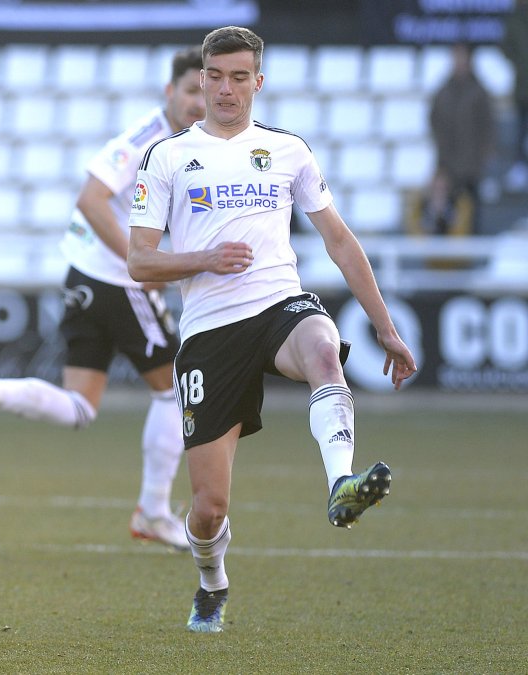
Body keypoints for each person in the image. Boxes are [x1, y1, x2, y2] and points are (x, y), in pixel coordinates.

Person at [125, 26, 417, 633]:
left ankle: (341, 483)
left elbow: (339, 240)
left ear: (258, 82)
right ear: (201, 80)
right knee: (208, 509)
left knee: (322, 352)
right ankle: (212, 582)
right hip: (208, 331)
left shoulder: (288, 150)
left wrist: (385, 328)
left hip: (277, 301)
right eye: (216, 77)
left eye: (239, 77)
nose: (227, 89)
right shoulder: (169, 157)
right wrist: (204, 258)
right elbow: (139, 261)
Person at [0, 47, 206, 552]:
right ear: (170, 92)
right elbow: (90, 199)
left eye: (207, 92)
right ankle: (154, 512)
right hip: (118, 282)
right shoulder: (147, 139)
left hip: (82, 278)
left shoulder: (188, 143)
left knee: (79, 407)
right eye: (191, 91)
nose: (199, 102)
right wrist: (141, 262)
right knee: (176, 391)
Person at [420, 42, 496, 236]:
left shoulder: (479, 92)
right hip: (448, 164)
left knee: (471, 215)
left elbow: (488, 127)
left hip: (471, 167)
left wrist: (481, 157)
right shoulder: (443, 92)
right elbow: (434, 120)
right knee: (446, 213)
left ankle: (471, 257)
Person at [500, 0, 528, 192]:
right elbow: (505, 46)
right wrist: (520, 62)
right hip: (523, 87)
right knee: (521, 130)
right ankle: (521, 166)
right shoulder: (514, 19)